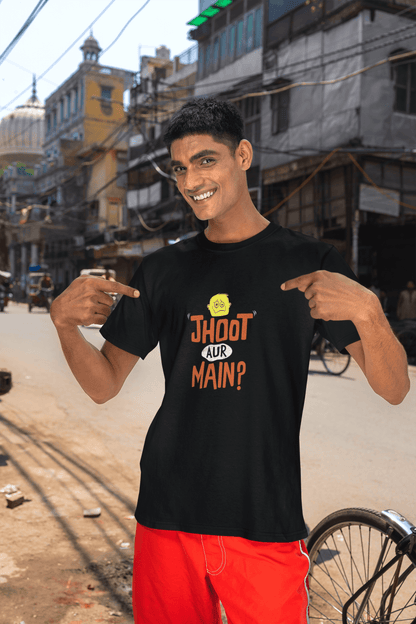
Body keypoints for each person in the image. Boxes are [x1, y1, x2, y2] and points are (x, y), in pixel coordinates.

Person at [50, 96, 410, 624]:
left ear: (242, 155)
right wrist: (63, 326)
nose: (191, 178)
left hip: (263, 521)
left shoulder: (308, 262)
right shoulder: (163, 271)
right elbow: (104, 384)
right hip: (167, 516)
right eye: (179, 168)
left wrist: (371, 314)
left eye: (206, 160)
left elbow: (394, 387)